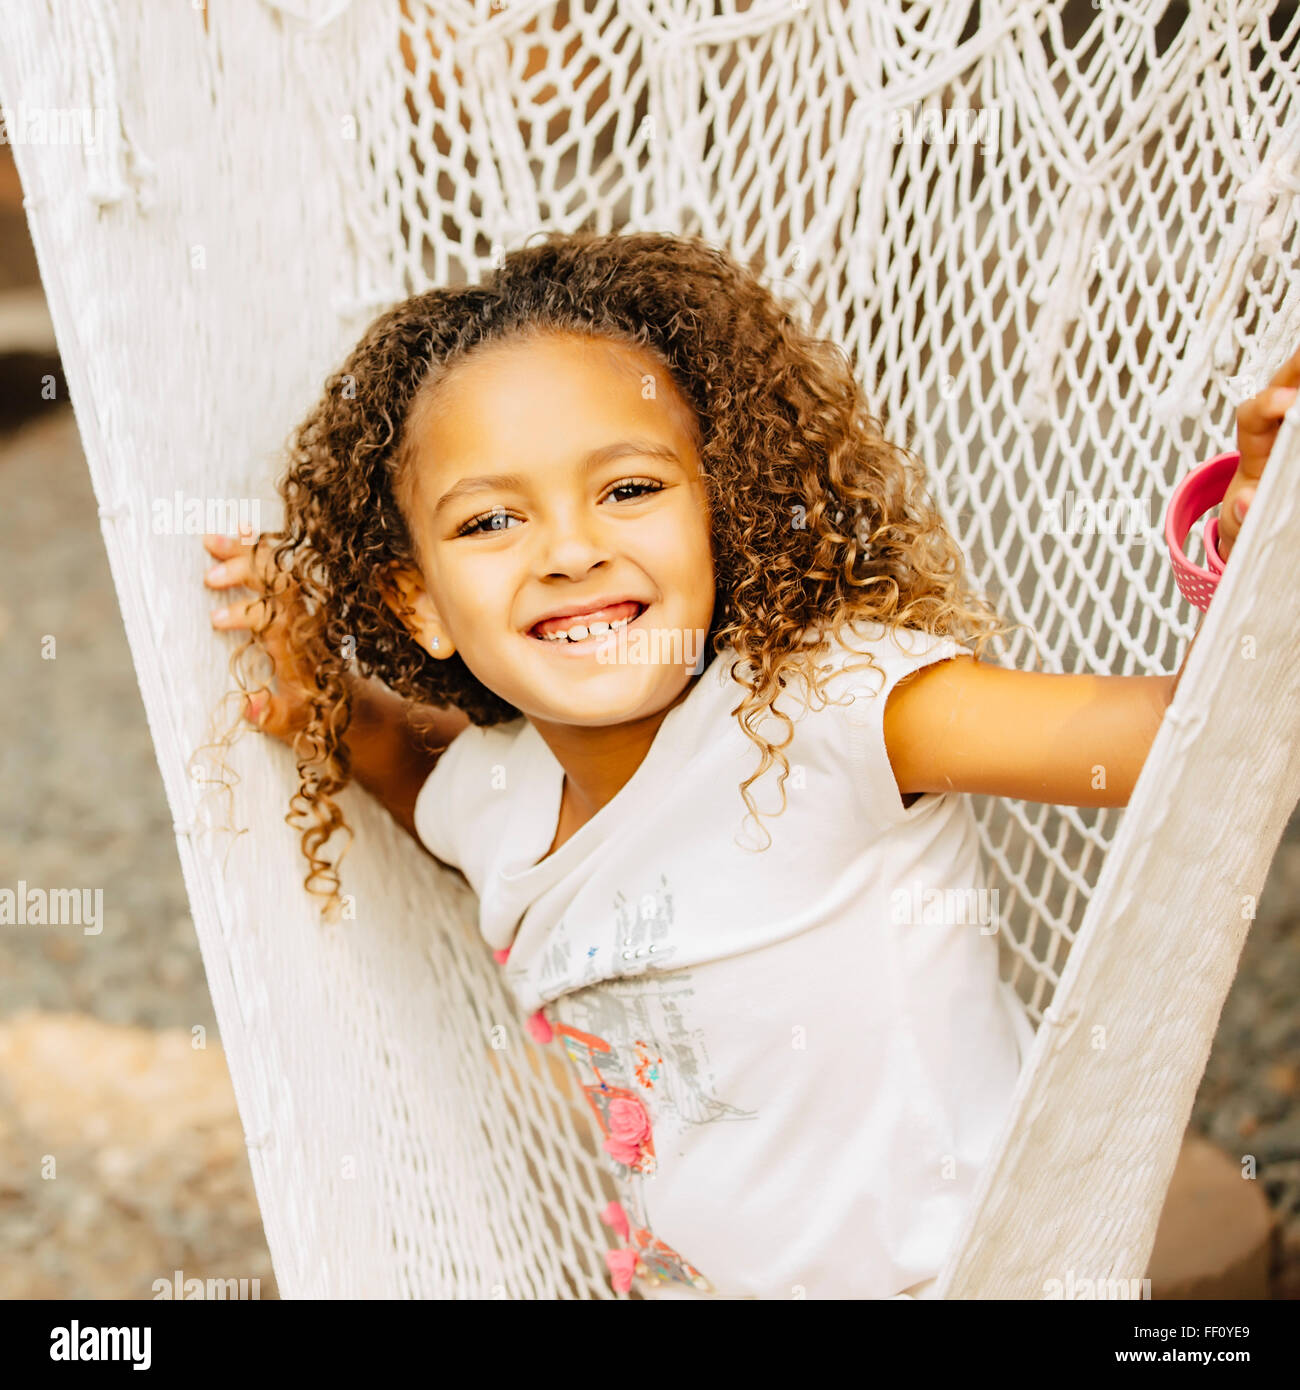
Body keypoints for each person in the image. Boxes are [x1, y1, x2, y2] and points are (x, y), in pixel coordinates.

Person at [200, 231, 1299, 1299]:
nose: (571, 549)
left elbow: (1186, 749)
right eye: (491, 519)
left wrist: (1256, 538)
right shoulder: (497, 794)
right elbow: (398, 755)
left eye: (628, 489)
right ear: (420, 602)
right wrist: (321, 692)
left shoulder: (826, 710)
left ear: (725, 513)